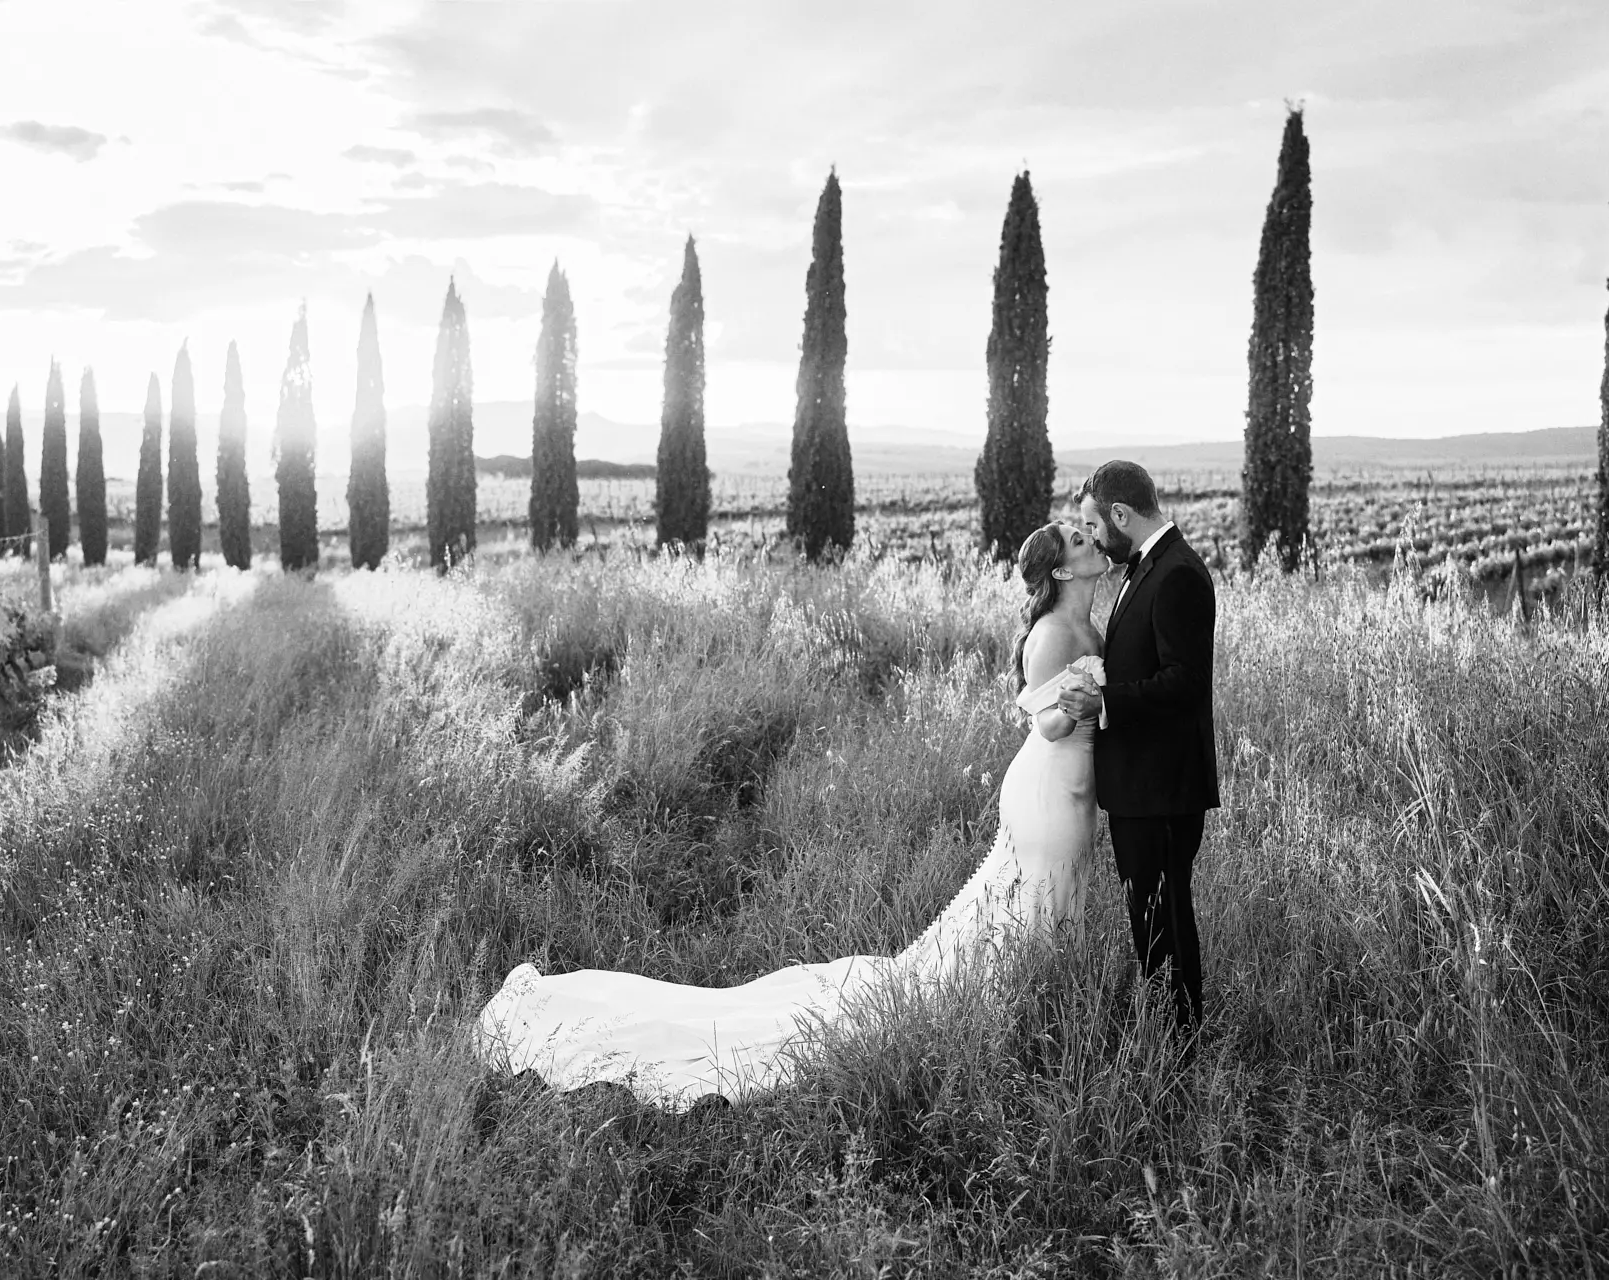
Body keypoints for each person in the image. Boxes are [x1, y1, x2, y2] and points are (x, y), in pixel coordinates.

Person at [471, 519, 1111, 1111]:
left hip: (1070, 789)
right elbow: (1046, 720)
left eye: (1087, 534)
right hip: (1047, 792)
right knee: (1034, 909)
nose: (1091, 540)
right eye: (1080, 540)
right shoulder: (1054, 634)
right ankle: (1013, 1026)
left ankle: (1028, 1014)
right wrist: (1078, 702)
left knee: (1043, 910)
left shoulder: (1089, 625)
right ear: (1059, 573)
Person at [1057, 461, 1220, 1034]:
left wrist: (1105, 703)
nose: (1095, 537)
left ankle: (1182, 1043)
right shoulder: (1144, 566)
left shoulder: (1176, 573)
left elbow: (1185, 682)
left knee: (1167, 918)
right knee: (1148, 918)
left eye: (1093, 524)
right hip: (1143, 786)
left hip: (1164, 789)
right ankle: (1164, 1027)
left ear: (1121, 515)